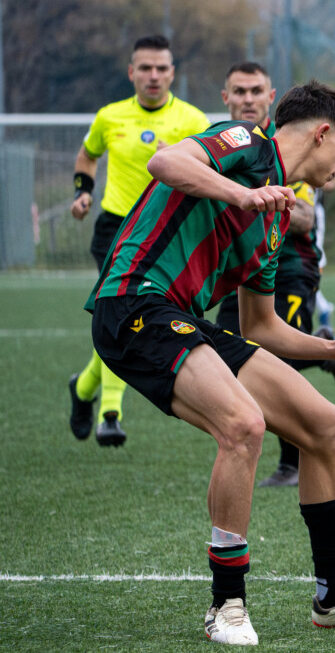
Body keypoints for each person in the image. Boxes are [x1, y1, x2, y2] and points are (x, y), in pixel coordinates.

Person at [85, 81, 335, 644]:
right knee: (243, 425)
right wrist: (240, 194)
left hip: (183, 318)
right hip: (134, 302)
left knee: (326, 425)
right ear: (322, 133)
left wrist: (333, 348)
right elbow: (167, 161)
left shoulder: (273, 220)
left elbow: (261, 327)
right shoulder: (245, 145)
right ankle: (227, 605)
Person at [67, 34, 210, 447]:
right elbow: (87, 155)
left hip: (163, 237)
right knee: (120, 317)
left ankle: (82, 390)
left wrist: (182, 157)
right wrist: (83, 191)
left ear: (172, 74)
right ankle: (110, 414)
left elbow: (215, 173)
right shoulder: (109, 116)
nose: (153, 75)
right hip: (115, 231)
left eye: (161, 68)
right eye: (144, 67)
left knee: (124, 322)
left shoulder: (194, 121)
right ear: (131, 72)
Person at [214, 62, 335, 488]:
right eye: (240, 91)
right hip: (242, 267)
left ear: (270, 99)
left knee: (276, 357)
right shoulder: (229, 144)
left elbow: (307, 215)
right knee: (228, 352)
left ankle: (292, 461)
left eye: (257, 91)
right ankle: (317, 363)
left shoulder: (290, 154)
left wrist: (258, 199)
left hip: (291, 268)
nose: (248, 99)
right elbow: (170, 163)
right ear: (227, 98)